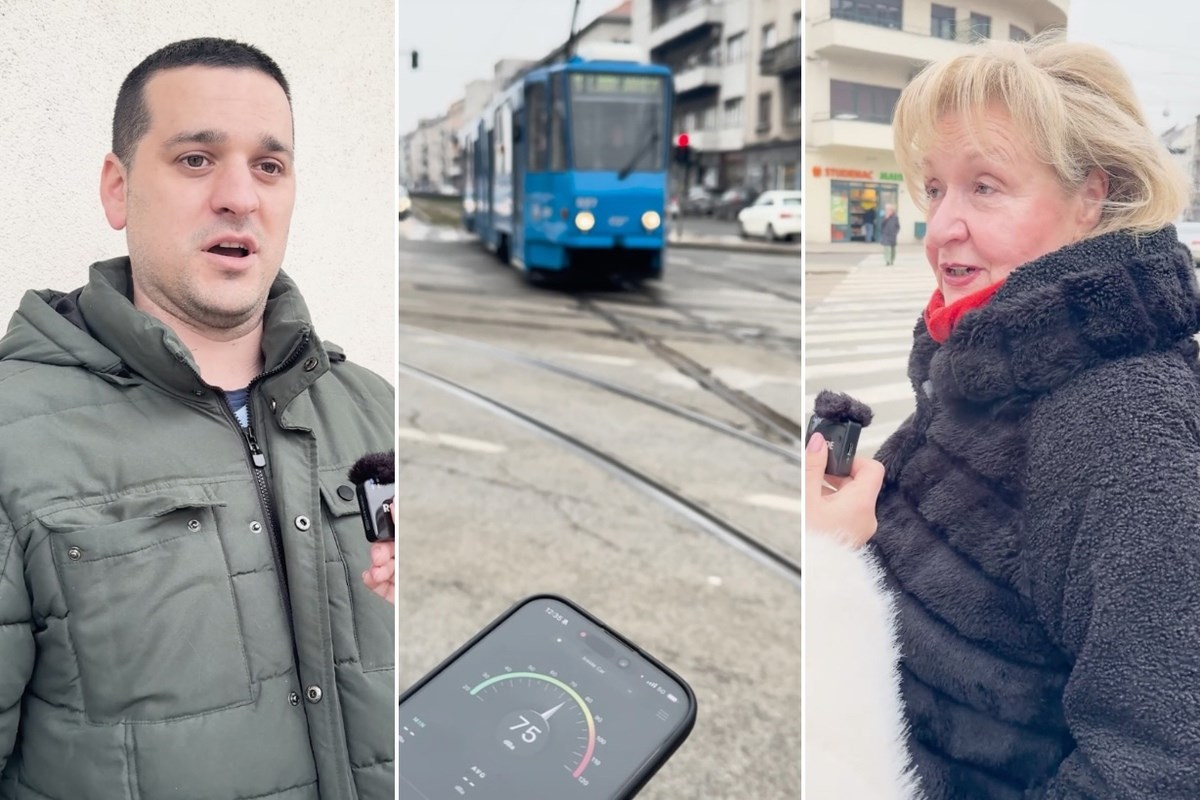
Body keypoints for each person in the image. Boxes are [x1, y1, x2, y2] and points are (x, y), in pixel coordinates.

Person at [805, 33, 1200, 799]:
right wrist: (845, 540)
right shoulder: (990, 369)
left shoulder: (1122, 422)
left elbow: (1162, 765)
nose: (941, 227)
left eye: (985, 187)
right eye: (935, 189)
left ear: (1091, 196)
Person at [0, 39, 394, 799]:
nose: (240, 196)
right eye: (195, 159)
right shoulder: (13, 436)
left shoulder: (376, 412)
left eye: (268, 166)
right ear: (118, 190)